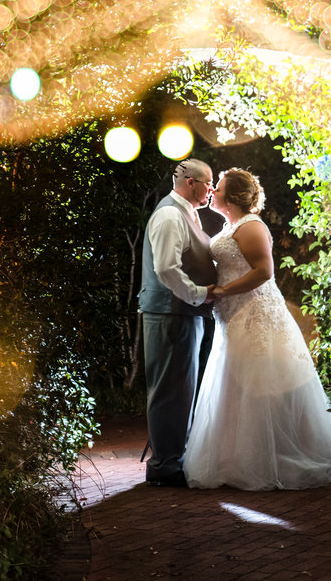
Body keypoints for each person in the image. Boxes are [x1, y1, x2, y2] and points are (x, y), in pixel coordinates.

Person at [183, 168, 331, 490]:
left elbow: (264, 271)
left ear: (234, 196)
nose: (213, 190)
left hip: (254, 315)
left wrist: (224, 291)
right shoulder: (231, 226)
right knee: (234, 387)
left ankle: (269, 459)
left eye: (220, 187)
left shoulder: (252, 226)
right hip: (233, 319)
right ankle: (235, 460)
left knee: (257, 385)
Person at [138, 158, 217, 487]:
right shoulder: (171, 214)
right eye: (208, 183)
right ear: (190, 183)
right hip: (171, 311)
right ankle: (165, 466)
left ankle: (171, 459)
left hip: (182, 311)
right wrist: (200, 293)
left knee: (180, 389)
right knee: (170, 390)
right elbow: (167, 268)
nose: (211, 190)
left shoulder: (186, 211)